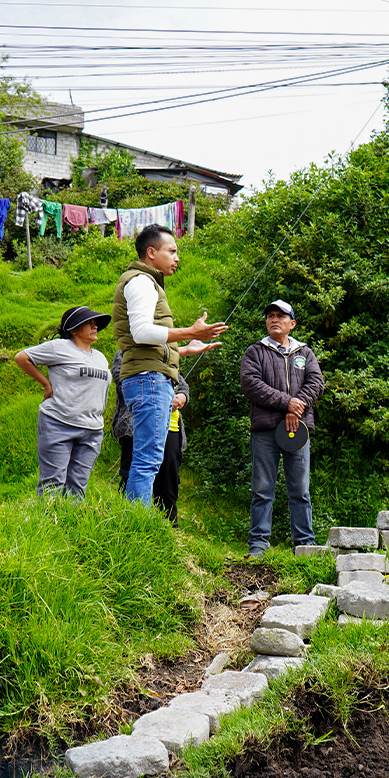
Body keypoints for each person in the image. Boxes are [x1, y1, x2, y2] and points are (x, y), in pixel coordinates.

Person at [111, 223, 227, 507]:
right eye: (171, 251)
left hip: (150, 376)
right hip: (149, 379)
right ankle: (135, 526)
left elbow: (147, 342)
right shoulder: (141, 281)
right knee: (148, 458)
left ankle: (135, 522)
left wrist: (184, 349)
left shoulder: (145, 281)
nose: (177, 258)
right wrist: (191, 331)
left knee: (148, 457)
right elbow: (141, 332)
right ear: (151, 252)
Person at [240, 299, 325, 556]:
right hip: (265, 430)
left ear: (292, 323)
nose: (274, 319)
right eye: (270, 316)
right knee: (262, 488)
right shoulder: (255, 351)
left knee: (300, 489)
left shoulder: (305, 353)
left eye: (280, 315)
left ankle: (305, 545)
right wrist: (288, 403)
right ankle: (258, 545)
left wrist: (296, 409)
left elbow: (317, 382)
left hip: (298, 429)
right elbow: (250, 384)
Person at [14, 304, 112, 499]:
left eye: (96, 323)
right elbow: (22, 357)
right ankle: (46, 525)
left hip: (92, 428)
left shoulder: (100, 357)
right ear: (73, 329)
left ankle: (69, 526)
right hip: (59, 422)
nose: (95, 326)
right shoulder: (59, 347)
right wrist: (46, 384)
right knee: (53, 482)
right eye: (89, 323)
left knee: (78, 485)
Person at [110, 349, 189, 526]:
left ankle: (168, 530)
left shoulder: (165, 353)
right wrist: (161, 395)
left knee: (168, 482)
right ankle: (127, 523)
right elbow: (122, 381)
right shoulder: (125, 353)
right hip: (137, 424)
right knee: (133, 473)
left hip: (171, 428)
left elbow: (181, 383)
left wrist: (181, 397)